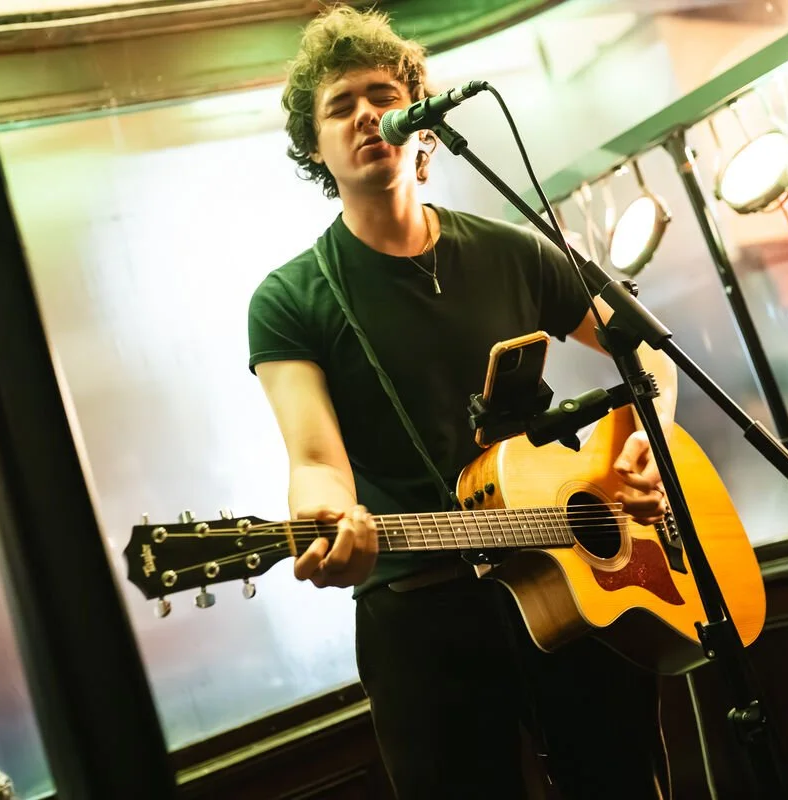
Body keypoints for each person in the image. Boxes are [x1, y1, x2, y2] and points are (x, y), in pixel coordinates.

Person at [247, 7, 679, 798]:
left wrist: (641, 443)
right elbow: (314, 462)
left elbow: (648, 349)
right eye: (339, 106)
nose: (366, 114)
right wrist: (326, 522)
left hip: (572, 575)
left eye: (382, 94)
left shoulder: (513, 251)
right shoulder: (292, 299)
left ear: (426, 127)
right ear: (316, 148)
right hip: (419, 617)